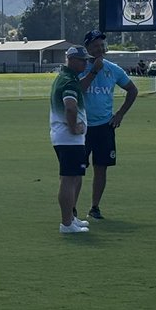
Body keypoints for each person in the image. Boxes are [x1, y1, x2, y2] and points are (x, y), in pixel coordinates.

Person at [78, 30, 139, 221]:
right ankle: (71, 208)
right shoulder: (80, 68)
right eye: (95, 45)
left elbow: (132, 90)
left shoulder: (113, 69)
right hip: (82, 127)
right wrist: (94, 70)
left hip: (105, 127)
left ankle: (94, 207)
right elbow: (78, 90)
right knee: (77, 169)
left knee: (101, 167)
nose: (100, 49)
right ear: (87, 47)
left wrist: (120, 114)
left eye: (102, 45)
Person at [51, 46, 92, 233]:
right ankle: (66, 223)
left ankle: (71, 218)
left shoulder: (67, 78)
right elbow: (70, 107)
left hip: (67, 138)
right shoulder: (69, 82)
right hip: (69, 138)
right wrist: (74, 127)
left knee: (74, 177)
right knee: (68, 179)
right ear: (72, 60)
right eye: (82, 60)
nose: (86, 63)